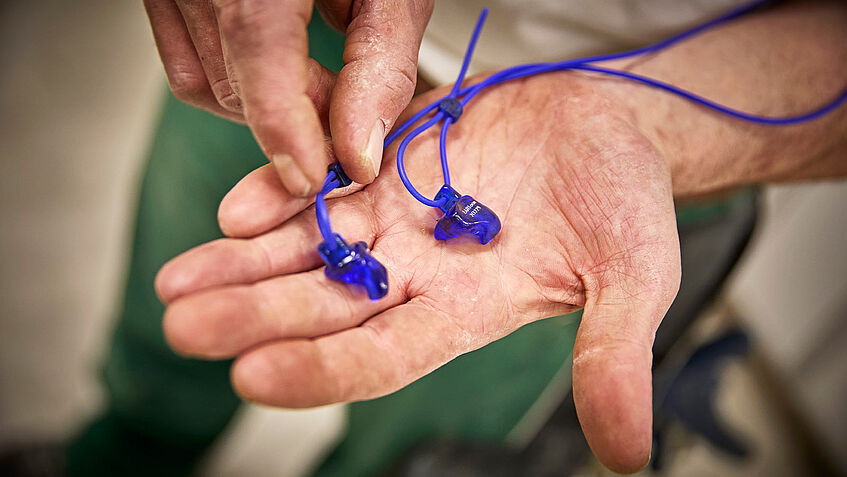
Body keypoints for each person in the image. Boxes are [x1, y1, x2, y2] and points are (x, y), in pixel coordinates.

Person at [60, 1, 847, 475]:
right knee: (168, 330)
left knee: (417, 460)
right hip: (305, 41)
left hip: (606, 151)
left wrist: (649, 127)